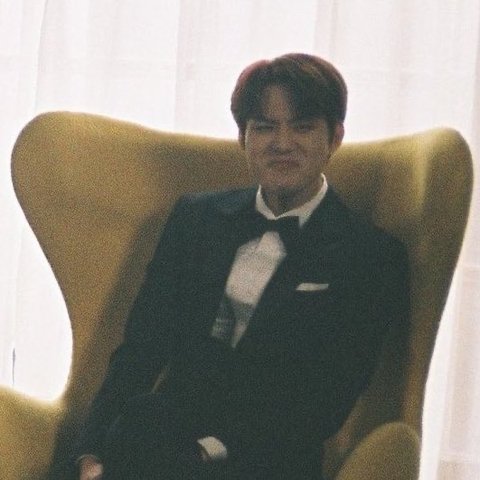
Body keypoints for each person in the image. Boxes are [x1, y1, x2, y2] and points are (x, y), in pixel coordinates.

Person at [73, 53, 409, 480]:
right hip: (155, 442)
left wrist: (203, 454)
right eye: (265, 127)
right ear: (243, 138)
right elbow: (141, 349)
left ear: (335, 138)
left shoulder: (370, 256)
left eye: (302, 127)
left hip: (266, 462)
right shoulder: (196, 219)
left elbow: (324, 403)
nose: (282, 143)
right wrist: (91, 453)